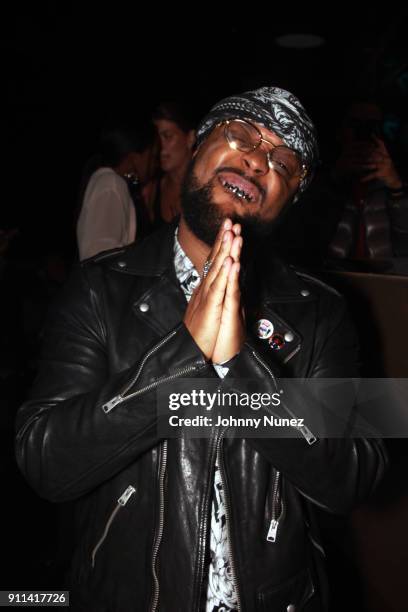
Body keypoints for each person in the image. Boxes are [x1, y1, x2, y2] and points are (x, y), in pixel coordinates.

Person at [16, 87, 387, 611]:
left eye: (283, 160)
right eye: (240, 135)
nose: (258, 159)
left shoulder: (323, 310)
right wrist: (183, 353)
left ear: (290, 200)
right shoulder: (99, 287)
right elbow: (43, 459)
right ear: (196, 150)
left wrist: (241, 371)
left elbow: (359, 470)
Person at [76, 124, 157, 260]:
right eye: (152, 155)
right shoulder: (111, 185)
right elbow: (100, 253)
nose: (155, 162)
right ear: (135, 157)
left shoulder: (106, 181)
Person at [144, 101, 196, 227]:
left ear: (190, 138)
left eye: (167, 136)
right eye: (157, 138)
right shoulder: (150, 191)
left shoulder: (203, 189)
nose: (160, 146)